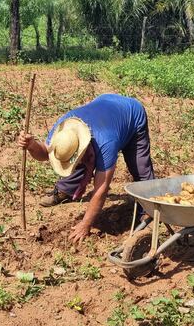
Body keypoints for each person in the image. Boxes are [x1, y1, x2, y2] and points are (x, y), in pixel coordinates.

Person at [17, 93, 155, 243]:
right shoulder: (63, 130)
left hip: (131, 114)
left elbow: (101, 189)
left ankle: (148, 211)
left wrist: (86, 224)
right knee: (78, 162)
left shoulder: (105, 144)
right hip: (105, 103)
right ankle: (66, 190)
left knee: (140, 170)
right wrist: (31, 146)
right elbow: (45, 153)